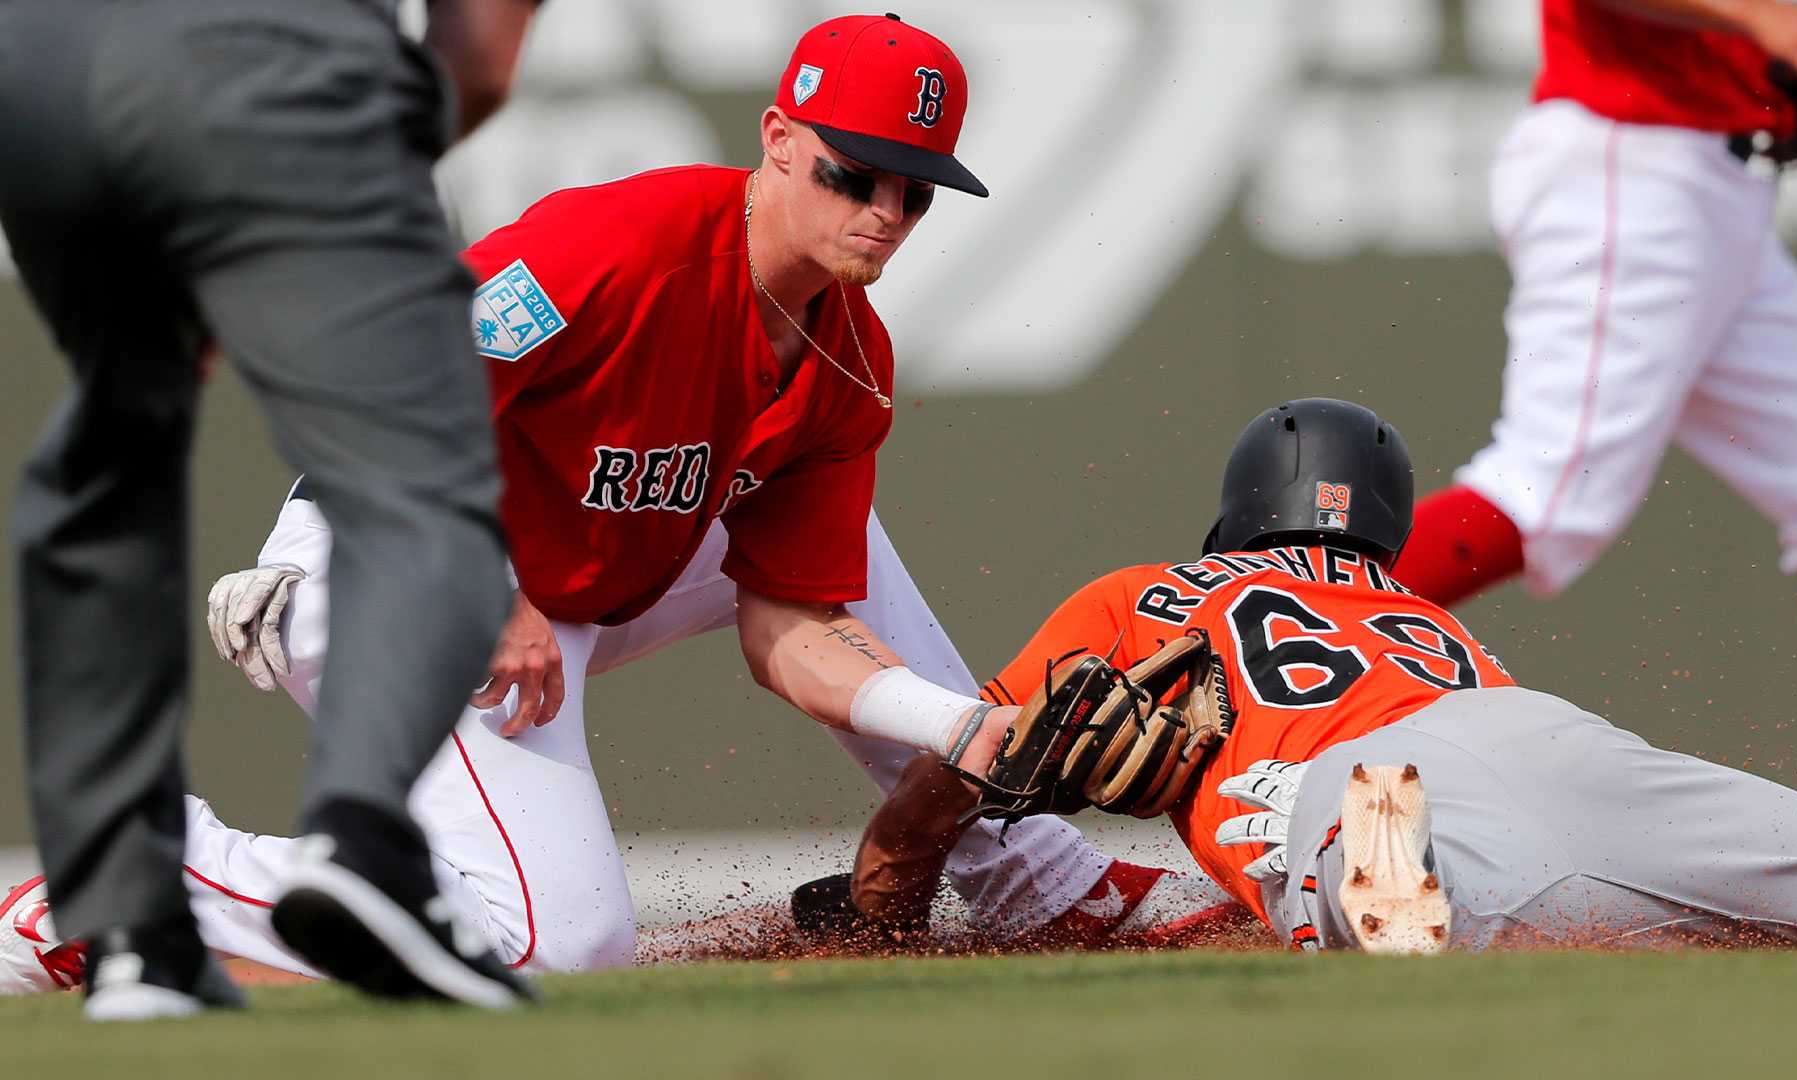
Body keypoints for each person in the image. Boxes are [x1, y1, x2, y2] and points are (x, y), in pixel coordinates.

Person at [0, 12, 1234, 993]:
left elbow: (792, 623)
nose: (885, 214)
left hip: (579, 575)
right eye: (859, 174)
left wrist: (956, 731)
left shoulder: (848, 355)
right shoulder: (627, 243)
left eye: (916, 192)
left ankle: (1024, 864)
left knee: (844, 545)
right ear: (778, 137)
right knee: (558, 948)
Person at [811, 399, 1797, 953]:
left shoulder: (1150, 592)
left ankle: (1336, 864)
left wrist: (883, 916)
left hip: (1354, 789)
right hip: (1555, 737)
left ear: (1234, 512)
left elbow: (956, 774)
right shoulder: (1421, 614)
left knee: (1416, 955)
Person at [0, 0, 541, 1018]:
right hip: (285, 61)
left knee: (110, 469)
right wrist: (334, 182)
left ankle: (135, 938)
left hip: (43, 72)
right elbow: (484, 47)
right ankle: (363, 844)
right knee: (417, 483)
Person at [1386, 0, 1797, 829]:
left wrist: (1774, 91)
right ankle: (1239, 638)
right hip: (1625, 164)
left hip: (1712, 180)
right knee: (1549, 492)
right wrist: (1764, 21)